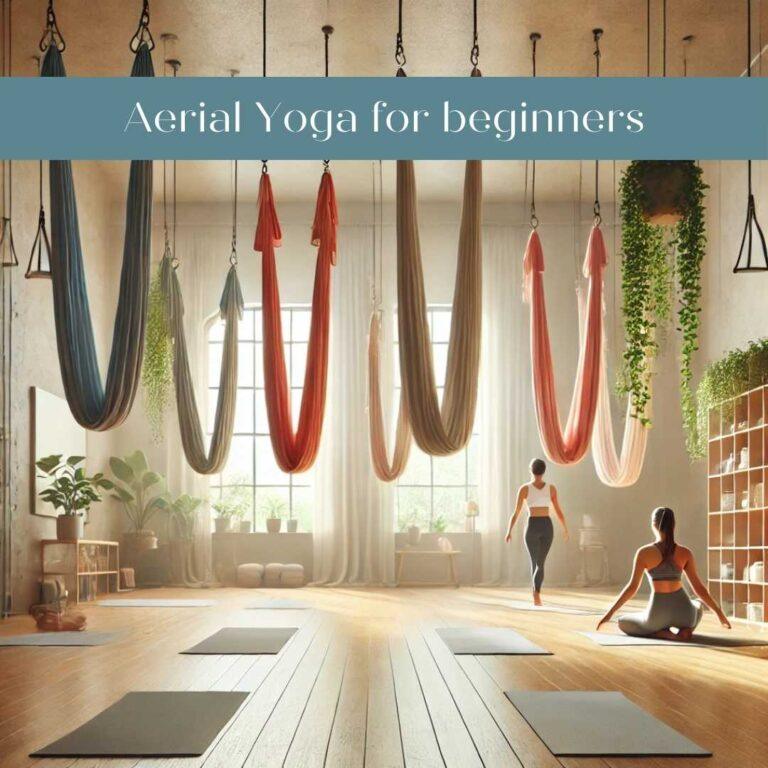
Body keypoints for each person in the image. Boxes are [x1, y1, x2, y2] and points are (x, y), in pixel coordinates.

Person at [597, 507, 731, 640]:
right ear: (674, 525)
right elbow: (699, 589)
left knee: (622, 621)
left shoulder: (644, 553)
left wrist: (609, 614)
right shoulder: (685, 553)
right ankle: (686, 629)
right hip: (685, 615)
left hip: (656, 616)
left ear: (653, 524)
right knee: (698, 604)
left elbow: (632, 588)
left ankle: (660, 633)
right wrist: (720, 615)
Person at [505, 458, 569, 605]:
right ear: (543, 470)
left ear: (530, 470)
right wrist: (509, 530)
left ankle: (536, 592)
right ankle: (536, 594)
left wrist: (565, 527)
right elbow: (517, 512)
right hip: (535, 526)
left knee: (540, 563)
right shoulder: (525, 489)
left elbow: (516, 512)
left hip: (544, 525)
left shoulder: (550, 488)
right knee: (536, 563)